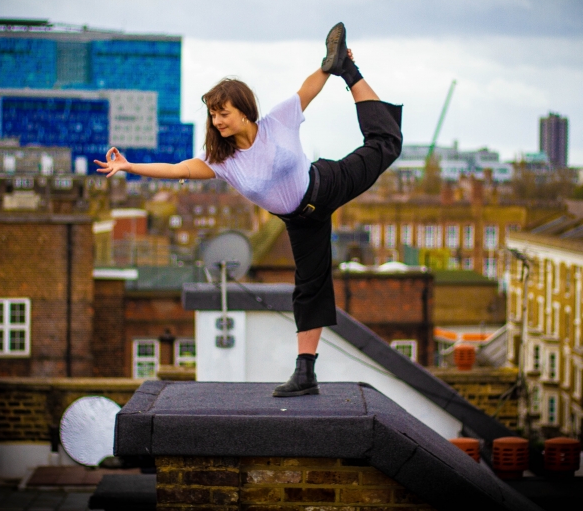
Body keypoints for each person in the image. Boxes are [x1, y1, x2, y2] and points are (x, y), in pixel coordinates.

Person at [95, 23, 402, 397]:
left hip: (327, 183)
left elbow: (309, 88)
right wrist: (130, 166)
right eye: (212, 115)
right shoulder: (222, 160)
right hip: (301, 221)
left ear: (243, 110)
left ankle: (353, 74)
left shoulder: (278, 121)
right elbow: (179, 170)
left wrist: (334, 65)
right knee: (310, 287)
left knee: (387, 142)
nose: (217, 121)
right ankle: (305, 372)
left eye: (222, 112)